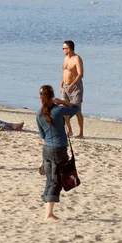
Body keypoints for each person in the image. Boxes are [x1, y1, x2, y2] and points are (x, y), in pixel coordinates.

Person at [37, 85, 80, 221]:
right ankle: (48, 214)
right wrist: (62, 101)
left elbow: (43, 136)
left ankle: (47, 211)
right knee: (56, 181)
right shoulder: (58, 110)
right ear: (52, 96)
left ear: (41, 97)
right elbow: (76, 108)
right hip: (58, 149)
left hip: (46, 149)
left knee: (50, 179)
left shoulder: (39, 114)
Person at [60, 40, 84, 138]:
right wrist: (61, 84)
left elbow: (80, 74)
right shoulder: (66, 58)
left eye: (64, 48)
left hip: (75, 87)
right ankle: (69, 131)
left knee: (77, 110)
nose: (62, 50)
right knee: (63, 109)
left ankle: (81, 133)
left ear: (69, 49)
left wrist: (71, 85)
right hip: (65, 87)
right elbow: (65, 72)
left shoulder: (77, 59)